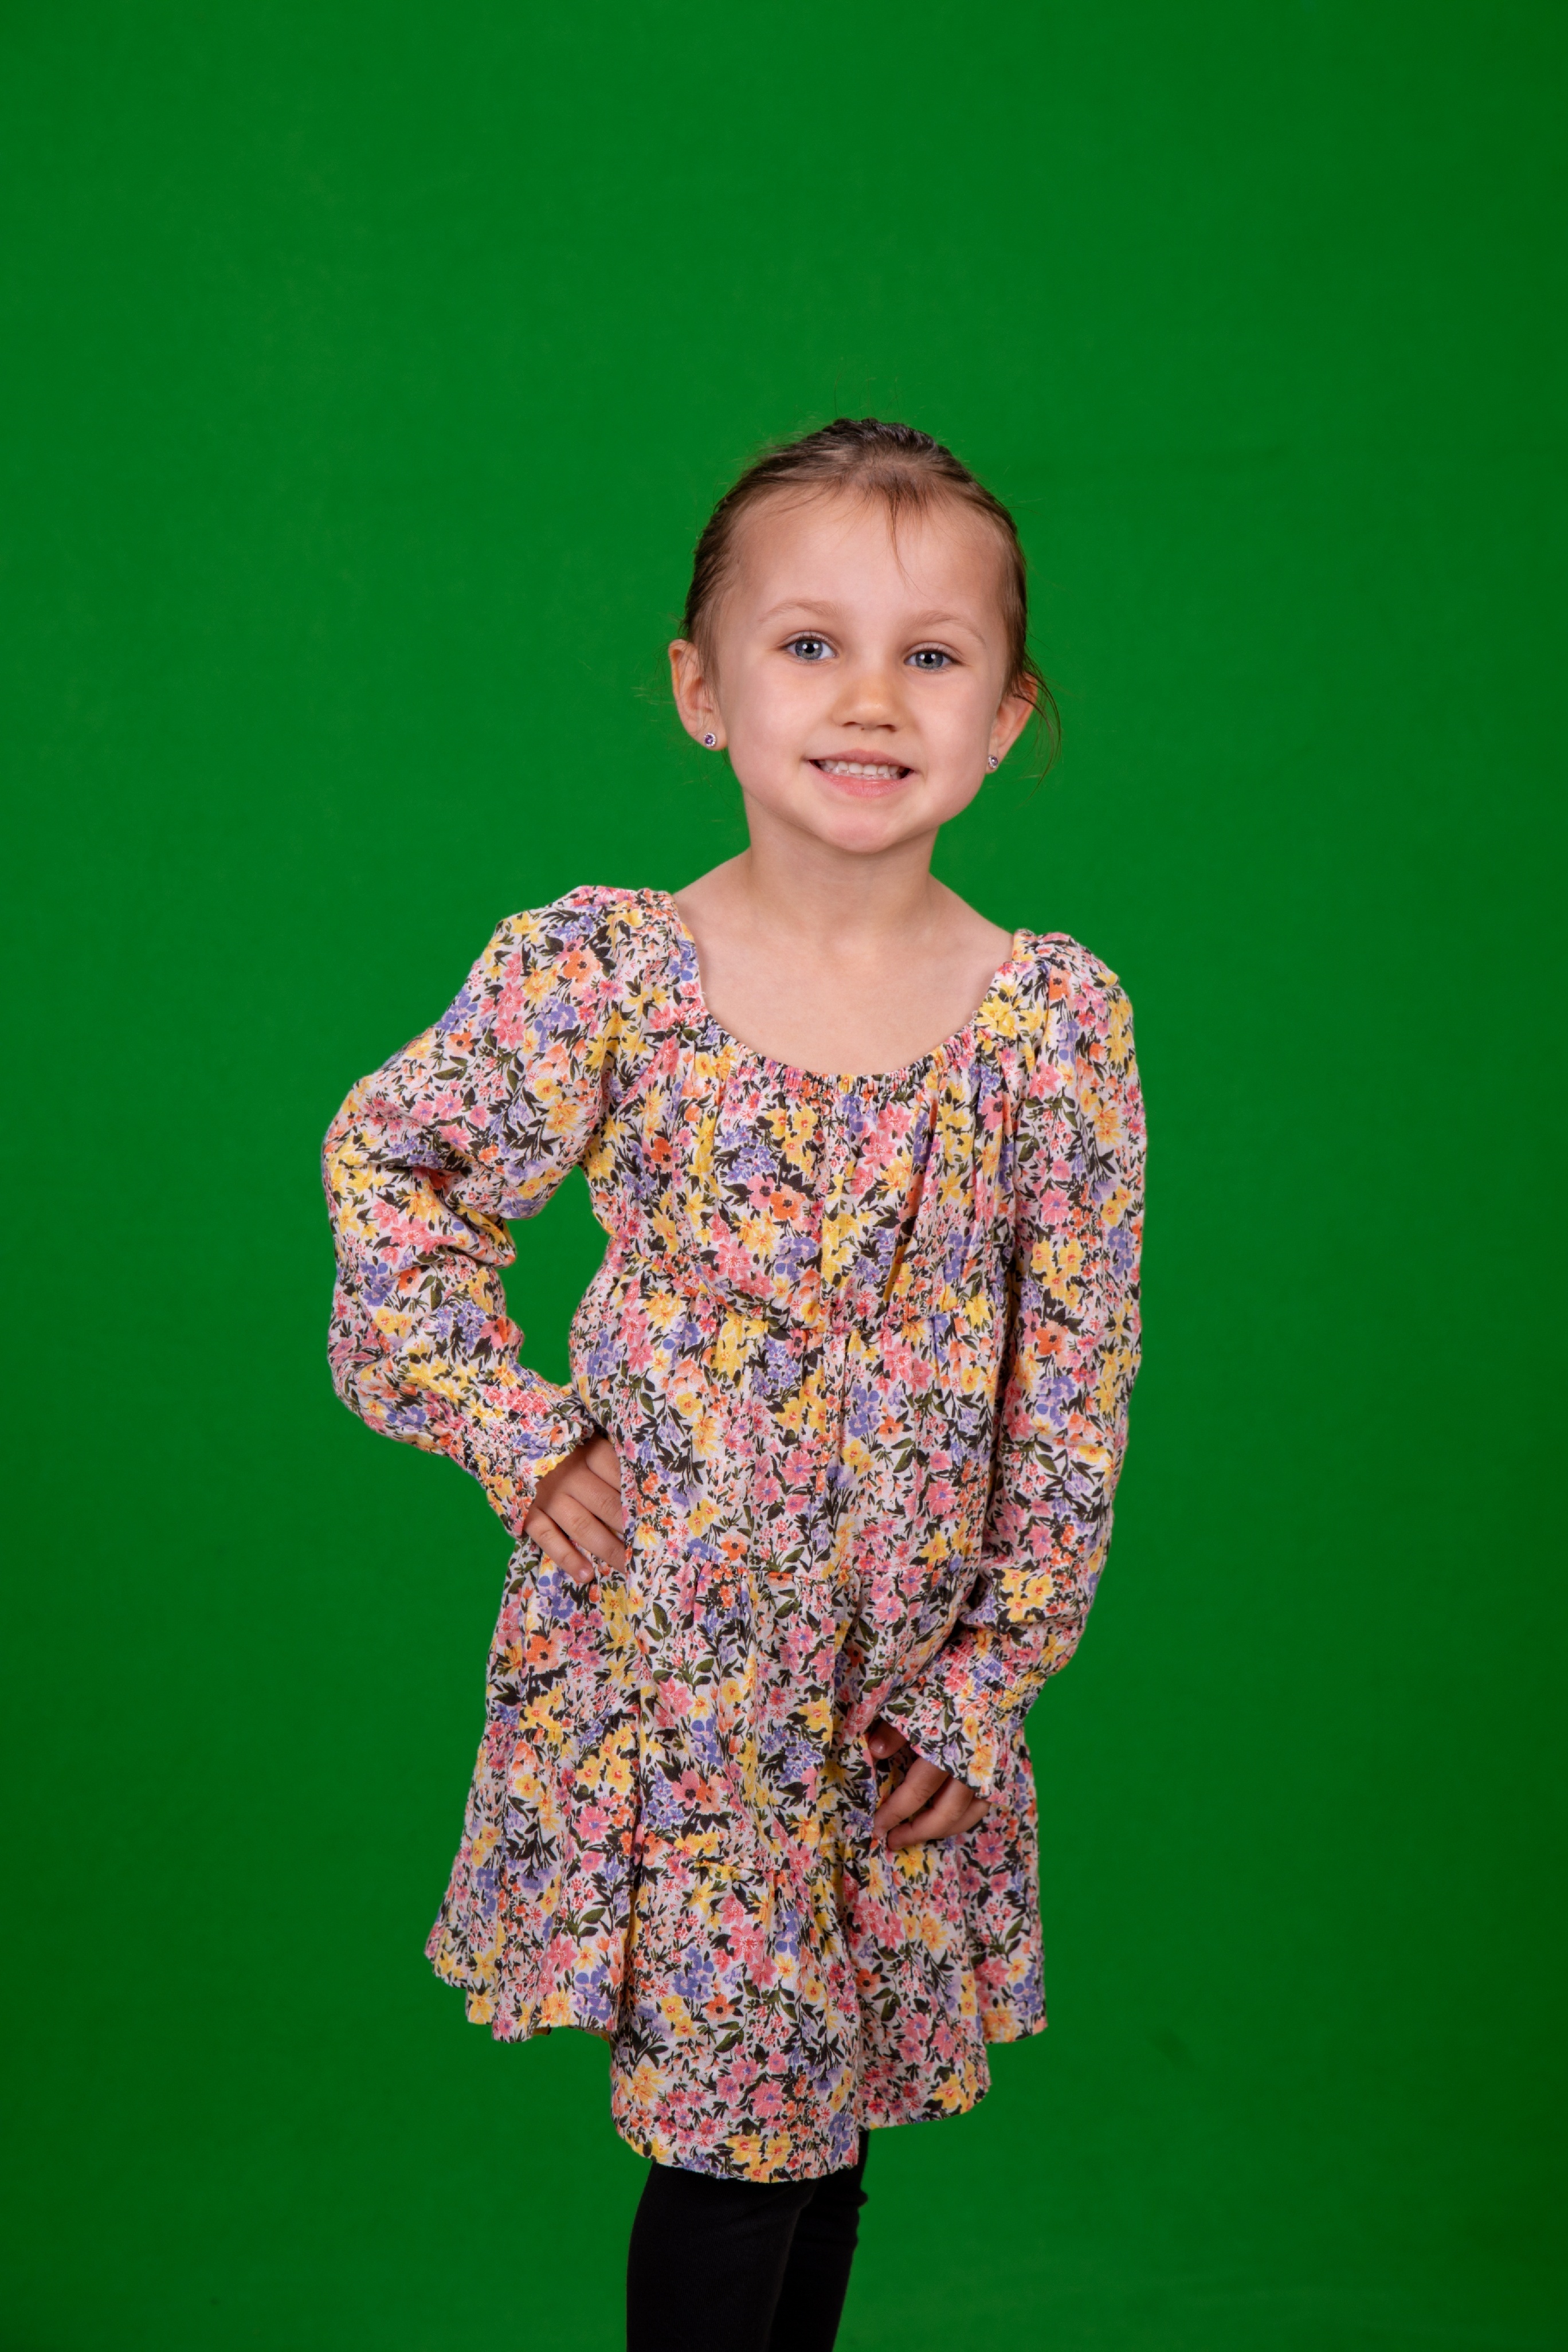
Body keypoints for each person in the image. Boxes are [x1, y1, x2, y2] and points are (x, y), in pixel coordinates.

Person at [322, 418, 1146, 2350]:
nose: (870, 699)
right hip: (681, 1674)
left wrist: (993, 1671)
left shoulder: (1053, 1025)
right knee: (739, 2131)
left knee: (819, 2122)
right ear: (705, 691)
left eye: (931, 655)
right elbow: (395, 1173)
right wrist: (520, 1433)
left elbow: (1077, 1381)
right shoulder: (609, 976)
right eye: (810, 644)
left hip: (898, 1688)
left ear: (1007, 717)